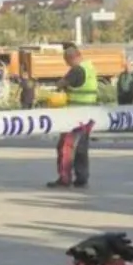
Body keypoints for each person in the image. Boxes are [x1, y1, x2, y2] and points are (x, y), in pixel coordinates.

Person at [48, 42, 98, 190]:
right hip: (88, 114)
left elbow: (61, 84)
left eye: (66, 62)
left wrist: (59, 84)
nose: (67, 65)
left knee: (65, 147)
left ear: (70, 58)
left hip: (74, 116)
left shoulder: (76, 70)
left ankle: (65, 178)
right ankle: (82, 179)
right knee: (81, 148)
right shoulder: (89, 68)